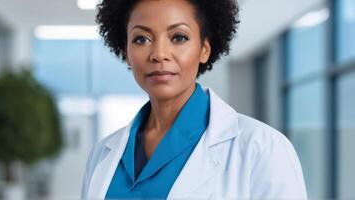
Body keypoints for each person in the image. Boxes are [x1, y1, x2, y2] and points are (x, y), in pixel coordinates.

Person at [81, 0, 307, 199]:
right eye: (142, 39)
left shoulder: (263, 148)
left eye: (178, 37)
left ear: (204, 50)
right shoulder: (103, 154)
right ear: (126, 51)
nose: (159, 53)